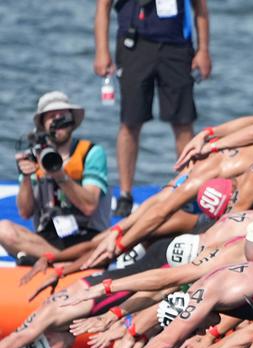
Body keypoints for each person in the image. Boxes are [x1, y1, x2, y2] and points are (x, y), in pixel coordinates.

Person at [93, 0, 212, 216]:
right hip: (134, 45)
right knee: (130, 122)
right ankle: (126, 194)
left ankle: (186, 190)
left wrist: (203, 50)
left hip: (177, 46)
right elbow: (104, 5)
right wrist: (102, 51)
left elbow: (200, 7)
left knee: (183, 122)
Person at [0, 92, 110, 262]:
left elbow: (89, 206)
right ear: (43, 124)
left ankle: (47, 259)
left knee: (98, 245)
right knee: (4, 229)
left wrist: (59, 175)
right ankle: (60, 259)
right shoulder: (35, 155)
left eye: (62, 116)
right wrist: (26, 178)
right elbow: (25, 212)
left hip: (88, 237)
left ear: (72, 121)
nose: (58, 121)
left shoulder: (91, 153)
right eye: (52, 116)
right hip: (48, 238)